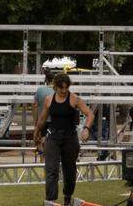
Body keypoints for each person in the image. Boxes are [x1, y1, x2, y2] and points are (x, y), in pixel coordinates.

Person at [33, 73, 95, 206]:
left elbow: (90, 114)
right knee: (51, 169)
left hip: (70, 138)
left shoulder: (75, 99)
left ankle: (67, 196)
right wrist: (36, 132)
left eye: (66, 88)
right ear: (55, 86)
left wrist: (86, 129)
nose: (64, 91)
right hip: (53, 137)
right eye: (61, 88)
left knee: (70, 170)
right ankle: (51, 200)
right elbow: (42, 119)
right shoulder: (49, 99)